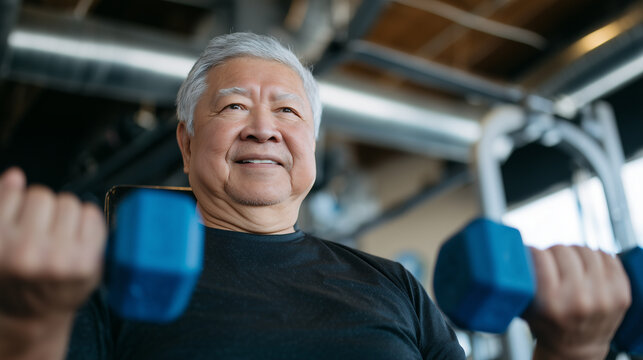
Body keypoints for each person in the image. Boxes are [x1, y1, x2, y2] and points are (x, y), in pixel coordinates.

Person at [0, 32, 631, 360]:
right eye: (234, 106)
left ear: (312, 144)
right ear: (187, 145)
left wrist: (573, 349)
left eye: (287, 111)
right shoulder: (96, 277)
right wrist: (27, 326)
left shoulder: (392, 284)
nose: (265, 127)